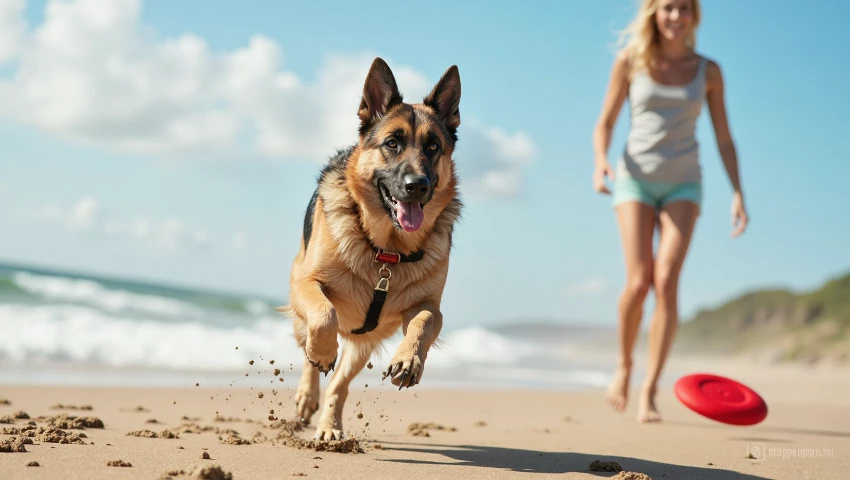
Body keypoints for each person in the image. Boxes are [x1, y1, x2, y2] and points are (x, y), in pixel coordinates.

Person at [592, 0, 748, 423]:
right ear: (653, 13)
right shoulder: (630, 61)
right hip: (634, 180)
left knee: (667, 281)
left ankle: (650, 390)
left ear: (694, 15)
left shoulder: (709, 71)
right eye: (667, 8)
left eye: (684, 8)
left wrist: (737, 191)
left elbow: (725, 137)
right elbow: (604, 121)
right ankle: (624, 366)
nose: (676, 16)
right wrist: (601, 160)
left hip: (685, 183)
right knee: (640, 281)